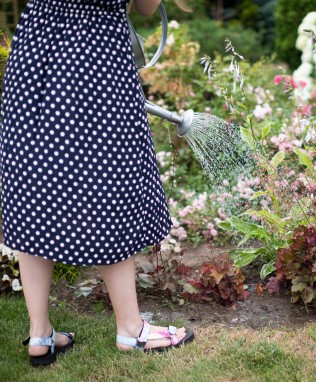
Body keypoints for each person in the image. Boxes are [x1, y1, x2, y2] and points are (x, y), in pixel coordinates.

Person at [0, 0, 194, 366]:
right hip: (96, 56)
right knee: (109, 186)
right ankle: (131, 330)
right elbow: (148, 8)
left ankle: (40, 333)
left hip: (35, 48)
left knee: (34, 187)